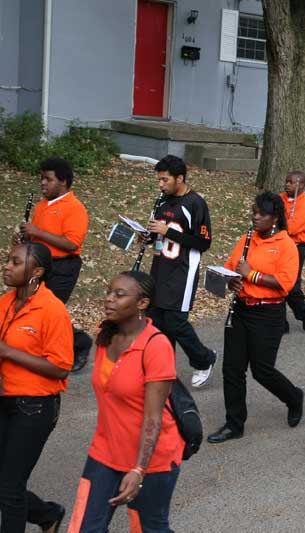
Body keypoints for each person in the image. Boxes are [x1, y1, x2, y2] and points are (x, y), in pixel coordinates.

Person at [68, 271, 183, 531]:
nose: (109, 299)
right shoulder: (104, 335)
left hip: (151, 460)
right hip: (105, 450)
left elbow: (153, 418)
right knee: (84, 528)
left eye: (119, 295)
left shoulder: (156, 346)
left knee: (148, 528)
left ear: (142, 303)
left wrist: (138, 470)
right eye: (109, 292)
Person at [207, 192, 304, 444]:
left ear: (274, 218)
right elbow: (231, 268)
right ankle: (234, 423)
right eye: (253, 211)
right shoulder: (245, 239)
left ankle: (294, 397)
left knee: (262, 370)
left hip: (268, 313)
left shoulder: (286, 245)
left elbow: (284, 284)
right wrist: (231, 282)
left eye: (261, 213)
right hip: (241, 310)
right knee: (232, 369)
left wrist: (251, 275)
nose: (255, 216)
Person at [0, 242, 72, 533]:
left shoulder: (52, 310)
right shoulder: (5, 302)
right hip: (4, 400)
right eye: (8, 260)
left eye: (16, 262)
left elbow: (61, 367)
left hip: (35, 408)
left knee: (9, 487)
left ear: (36, 272)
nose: (7, 266)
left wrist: (8, 352)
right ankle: (47, 514)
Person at [146, 155, 216, 389]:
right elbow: (159, 235)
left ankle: (204, 359)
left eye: (165, 180)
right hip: (160, 268)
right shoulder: (162, 201)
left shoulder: (195, 203)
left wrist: (168, 232)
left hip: (182, 272)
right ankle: (164, 371)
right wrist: (147, 236)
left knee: (175, 322)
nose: (161, 184)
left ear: (180, 178)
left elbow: (203, 242)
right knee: (156, 320)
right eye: (159, 180)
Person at [19, 157, 92, 373]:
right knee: (33, 308)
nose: (42, 183)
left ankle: (80, 342)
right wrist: (25, 241)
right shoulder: (42, 205)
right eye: (42, 178)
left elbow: (72, 243)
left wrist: (37, 232)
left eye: (48, 179)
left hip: (63, 267)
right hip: (40, 265)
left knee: (49, 312)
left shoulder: (74, 208)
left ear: (63, 182)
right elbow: (38, 238)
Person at [280, 171, 305, 333]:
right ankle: (280, 322)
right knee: (276, 283)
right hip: (280, 245)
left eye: (291, 182)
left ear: (300, 185)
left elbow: (292, 228)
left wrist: (280, 223)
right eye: (287, 181)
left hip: (296, 247)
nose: (287, 184)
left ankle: (304, 311)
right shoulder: (281, 199)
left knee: (292, 286)